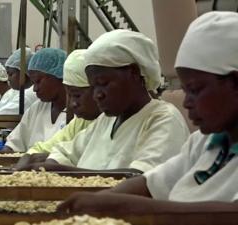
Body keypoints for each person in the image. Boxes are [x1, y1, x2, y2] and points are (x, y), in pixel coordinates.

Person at [57, 12, 238, 217]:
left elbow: (230, 215)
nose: (187, 103)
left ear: (234, 83)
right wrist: (101, 200)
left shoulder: (163, 119)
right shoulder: (204, 144)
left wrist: (123, 206)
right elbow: (151, 182)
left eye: (195, 90)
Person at [21, 30, 190, 172]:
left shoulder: (163, 119)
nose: (97, 95)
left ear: (133, 73)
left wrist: (65, 172)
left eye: (103, 84)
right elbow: (65, 153)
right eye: (93, 87)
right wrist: (44, 167)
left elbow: (141, 178)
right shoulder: (106, 121)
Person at [14, 49, 101, 169]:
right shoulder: (82, 122)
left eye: (76, 95)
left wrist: (53, 161)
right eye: (69, 95)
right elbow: (54, 149)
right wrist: (30, 157)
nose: (71, 104)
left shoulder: (107, 121)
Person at [1, 48, 68, 153]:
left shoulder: (78, 114)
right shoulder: (36, 108)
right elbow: (14, 143)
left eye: (38, 81)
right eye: (33, 83)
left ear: (58, 76)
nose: (35, 88)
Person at [0, 48, 39, 115]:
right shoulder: (15, 92)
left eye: (11, 74)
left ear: (24, 73)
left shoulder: (28, 95)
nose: (8, 79)